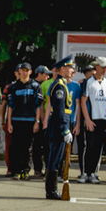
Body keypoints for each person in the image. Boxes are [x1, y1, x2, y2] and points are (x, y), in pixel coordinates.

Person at [44, 55, 76, 199]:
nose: (71, 70)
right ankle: (51, 191)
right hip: (58, 128)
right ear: (62, 69)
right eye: (69, 67)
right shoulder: (59, 86)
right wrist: (65, 129)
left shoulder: (61, 84)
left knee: (56, 158)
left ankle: (52, 189)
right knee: (54, 159)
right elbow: (59, 110)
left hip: (58, 126)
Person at [6, 62, 43, 179]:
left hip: (30, 121)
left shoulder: (35, 86)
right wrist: (9, 122)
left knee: (27, 148)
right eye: (22, 70)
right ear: (19, 72)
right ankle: (16, 171)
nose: (24, 72)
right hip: (16, 120)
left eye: (27, 70)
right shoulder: (13, 87)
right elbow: (10, 105)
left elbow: (38, 106)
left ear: (30, 72)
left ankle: (25, 171)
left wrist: (37, 122)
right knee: (16, 147)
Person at [79, 56, 106, 184]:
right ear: (96, 67)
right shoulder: (89, 82)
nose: (105, 69)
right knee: (89, 146)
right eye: (103, 67)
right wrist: (87, 119)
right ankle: (85, 173)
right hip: (91, 118)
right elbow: (83, 101)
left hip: (103, 120)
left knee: (98, 147)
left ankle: (93, 172)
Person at [31, 65, 52, 178]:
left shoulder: (45, 85)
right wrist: (38, 120)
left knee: (46, 146)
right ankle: (37, 169)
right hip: (36, 119)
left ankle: (47, 168)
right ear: (39, 74)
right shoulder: (33, 85)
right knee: (37, 146)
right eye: (45, 74)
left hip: (44, 119)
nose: (48, 76)